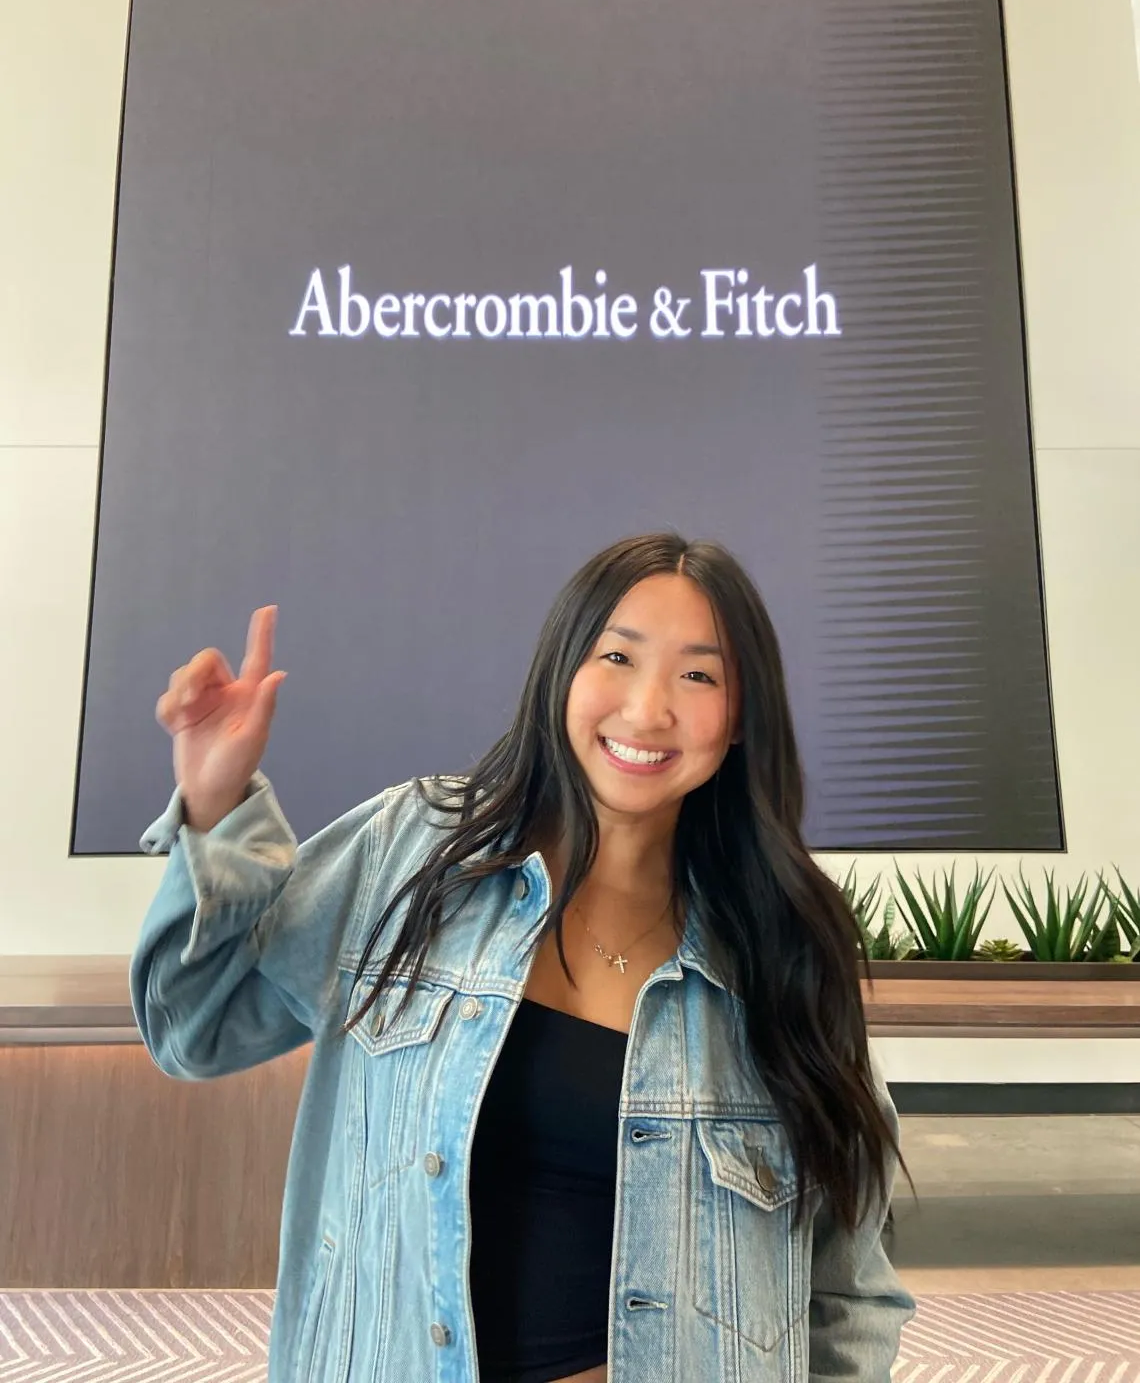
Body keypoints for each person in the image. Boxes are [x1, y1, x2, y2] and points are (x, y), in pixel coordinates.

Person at [132, 531, 915, 1383]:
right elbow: (192, 1031)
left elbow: (847, 1291)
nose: (649, 709)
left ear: (739, 722)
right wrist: (214, 811)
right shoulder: (413, 851)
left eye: (699, 674)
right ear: (561, 673)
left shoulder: (780, 954)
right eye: (617, 656)